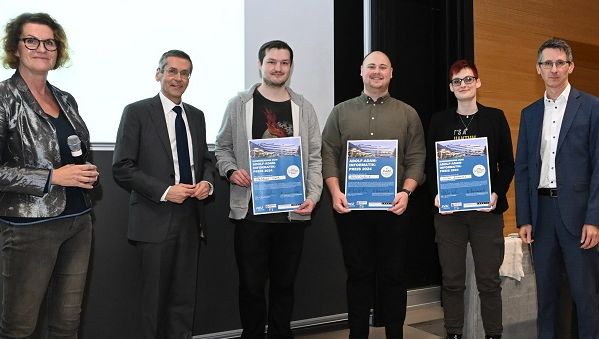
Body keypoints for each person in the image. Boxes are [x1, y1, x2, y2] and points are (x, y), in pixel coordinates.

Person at [0, 12, 99, 338]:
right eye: (32, 40)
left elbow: (76, 153)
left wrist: (87, 171)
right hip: (29, 227)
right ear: (16, 48)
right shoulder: (4, 98)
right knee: (20, 327)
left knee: (67, 324)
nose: (42, 48)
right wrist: (52, 178)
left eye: (50, 42)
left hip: (78, 220)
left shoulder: (66, 99)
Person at [214, 40, 322, 339]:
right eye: (272, 62)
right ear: (260, 64)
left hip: (291, 214)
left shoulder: (303, 107)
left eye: (284, 63)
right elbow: (222, 148)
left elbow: (314, 157)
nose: (278, 68)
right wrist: (232, 171)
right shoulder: (239, 104)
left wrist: (313, 196)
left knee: (285, 285)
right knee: (250, 286)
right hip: (251, 214)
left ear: (290, 67)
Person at [321, 51, 425, 339]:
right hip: (351, 209)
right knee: (358, 275)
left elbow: (417, 158)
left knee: (393, 275)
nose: (376, 72)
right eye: (371, 67)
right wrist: (334, 192)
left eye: (382, 67)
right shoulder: (340, 112)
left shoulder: (408, 113)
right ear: (361, 71)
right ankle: (357, 334)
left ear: (392, 73)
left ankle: (395, 333)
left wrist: (406, 192)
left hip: (395, 209)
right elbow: (327, 153)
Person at [112, 50, 215, 339]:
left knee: (184, 301)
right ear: (158, 74)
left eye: (185, 73)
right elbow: (121, 167)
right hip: (154, 218)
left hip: (191, 218)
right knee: (154, 302)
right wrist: (166, 191)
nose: (178, 78)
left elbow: (205, 160)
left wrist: (207, 183)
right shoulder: (137, 112)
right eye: (172, 71)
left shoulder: (196, 116)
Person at [515, 38, 599, 338]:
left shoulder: (592, 107)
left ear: (570, 66)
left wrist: (594, 218)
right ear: (538, 69)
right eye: (547, 63)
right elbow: (523, 168)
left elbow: (598, 169)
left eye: (560, 62)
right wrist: (524, 217)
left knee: (585, 296)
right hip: (542, 216)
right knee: (546, 297)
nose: (554, 69)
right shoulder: (529, 113)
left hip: (578, 218)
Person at [426, 60, 514, 339]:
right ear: (451, 88)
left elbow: (507, 164)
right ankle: (453, 333)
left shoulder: (495, 117)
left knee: (489, 281)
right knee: (452, 281)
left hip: (486, 214)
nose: (463, 85)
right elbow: (430, 165)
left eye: (467, 79)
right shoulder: (439, 121)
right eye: (456, 81)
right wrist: (436, 195)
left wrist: (496, 192)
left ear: (478, 82)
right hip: (449, 215)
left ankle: (493, 335)